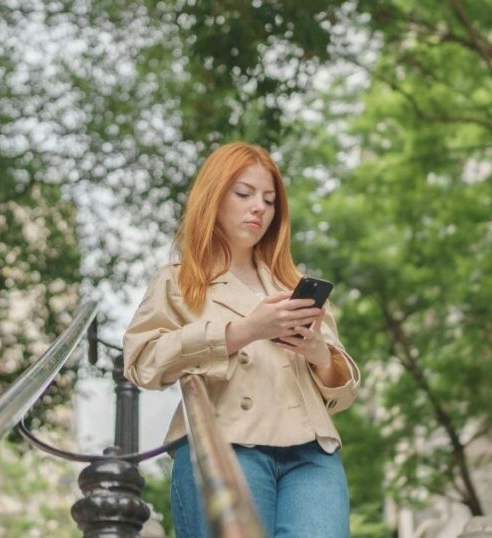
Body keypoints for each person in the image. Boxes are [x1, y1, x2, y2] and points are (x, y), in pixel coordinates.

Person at [123, 141, 360, 537]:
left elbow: (342, 394)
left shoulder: (293, 285)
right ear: (214, 197)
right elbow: (142, 361)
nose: (259, 208)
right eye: (244, 194)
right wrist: (244, 331)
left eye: (269, 200)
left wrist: (318, 352)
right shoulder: (179, 281)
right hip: (225, 444)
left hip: (313, 454)